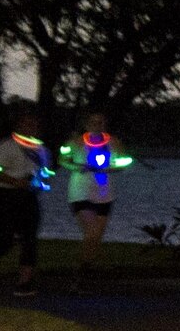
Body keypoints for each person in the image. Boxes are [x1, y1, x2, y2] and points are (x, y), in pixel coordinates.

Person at [0, 110, 51, 297]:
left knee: (30, 237)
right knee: (7, 237)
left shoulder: (41, 150)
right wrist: (15, 181)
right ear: (19, 126)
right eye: (26, 124)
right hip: (5, 195)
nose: (31, 128)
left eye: (34, 125)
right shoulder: (7, 147)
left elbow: (44, 172)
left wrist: (40, 182)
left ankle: (25, 281)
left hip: (29, 197)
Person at [56, 112, 131, 285]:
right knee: (92, 232)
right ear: (87, 124)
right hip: (81, 193)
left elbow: (124, 161)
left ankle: (86, 269)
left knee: (96, 237)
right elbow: (62, 159)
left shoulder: (114, 142)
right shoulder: (76, 142)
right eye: (93, 122)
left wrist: (111, 168)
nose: (97, 125)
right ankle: (81, 273)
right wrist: (78, 166)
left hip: (105, 195)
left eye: (100, 122)